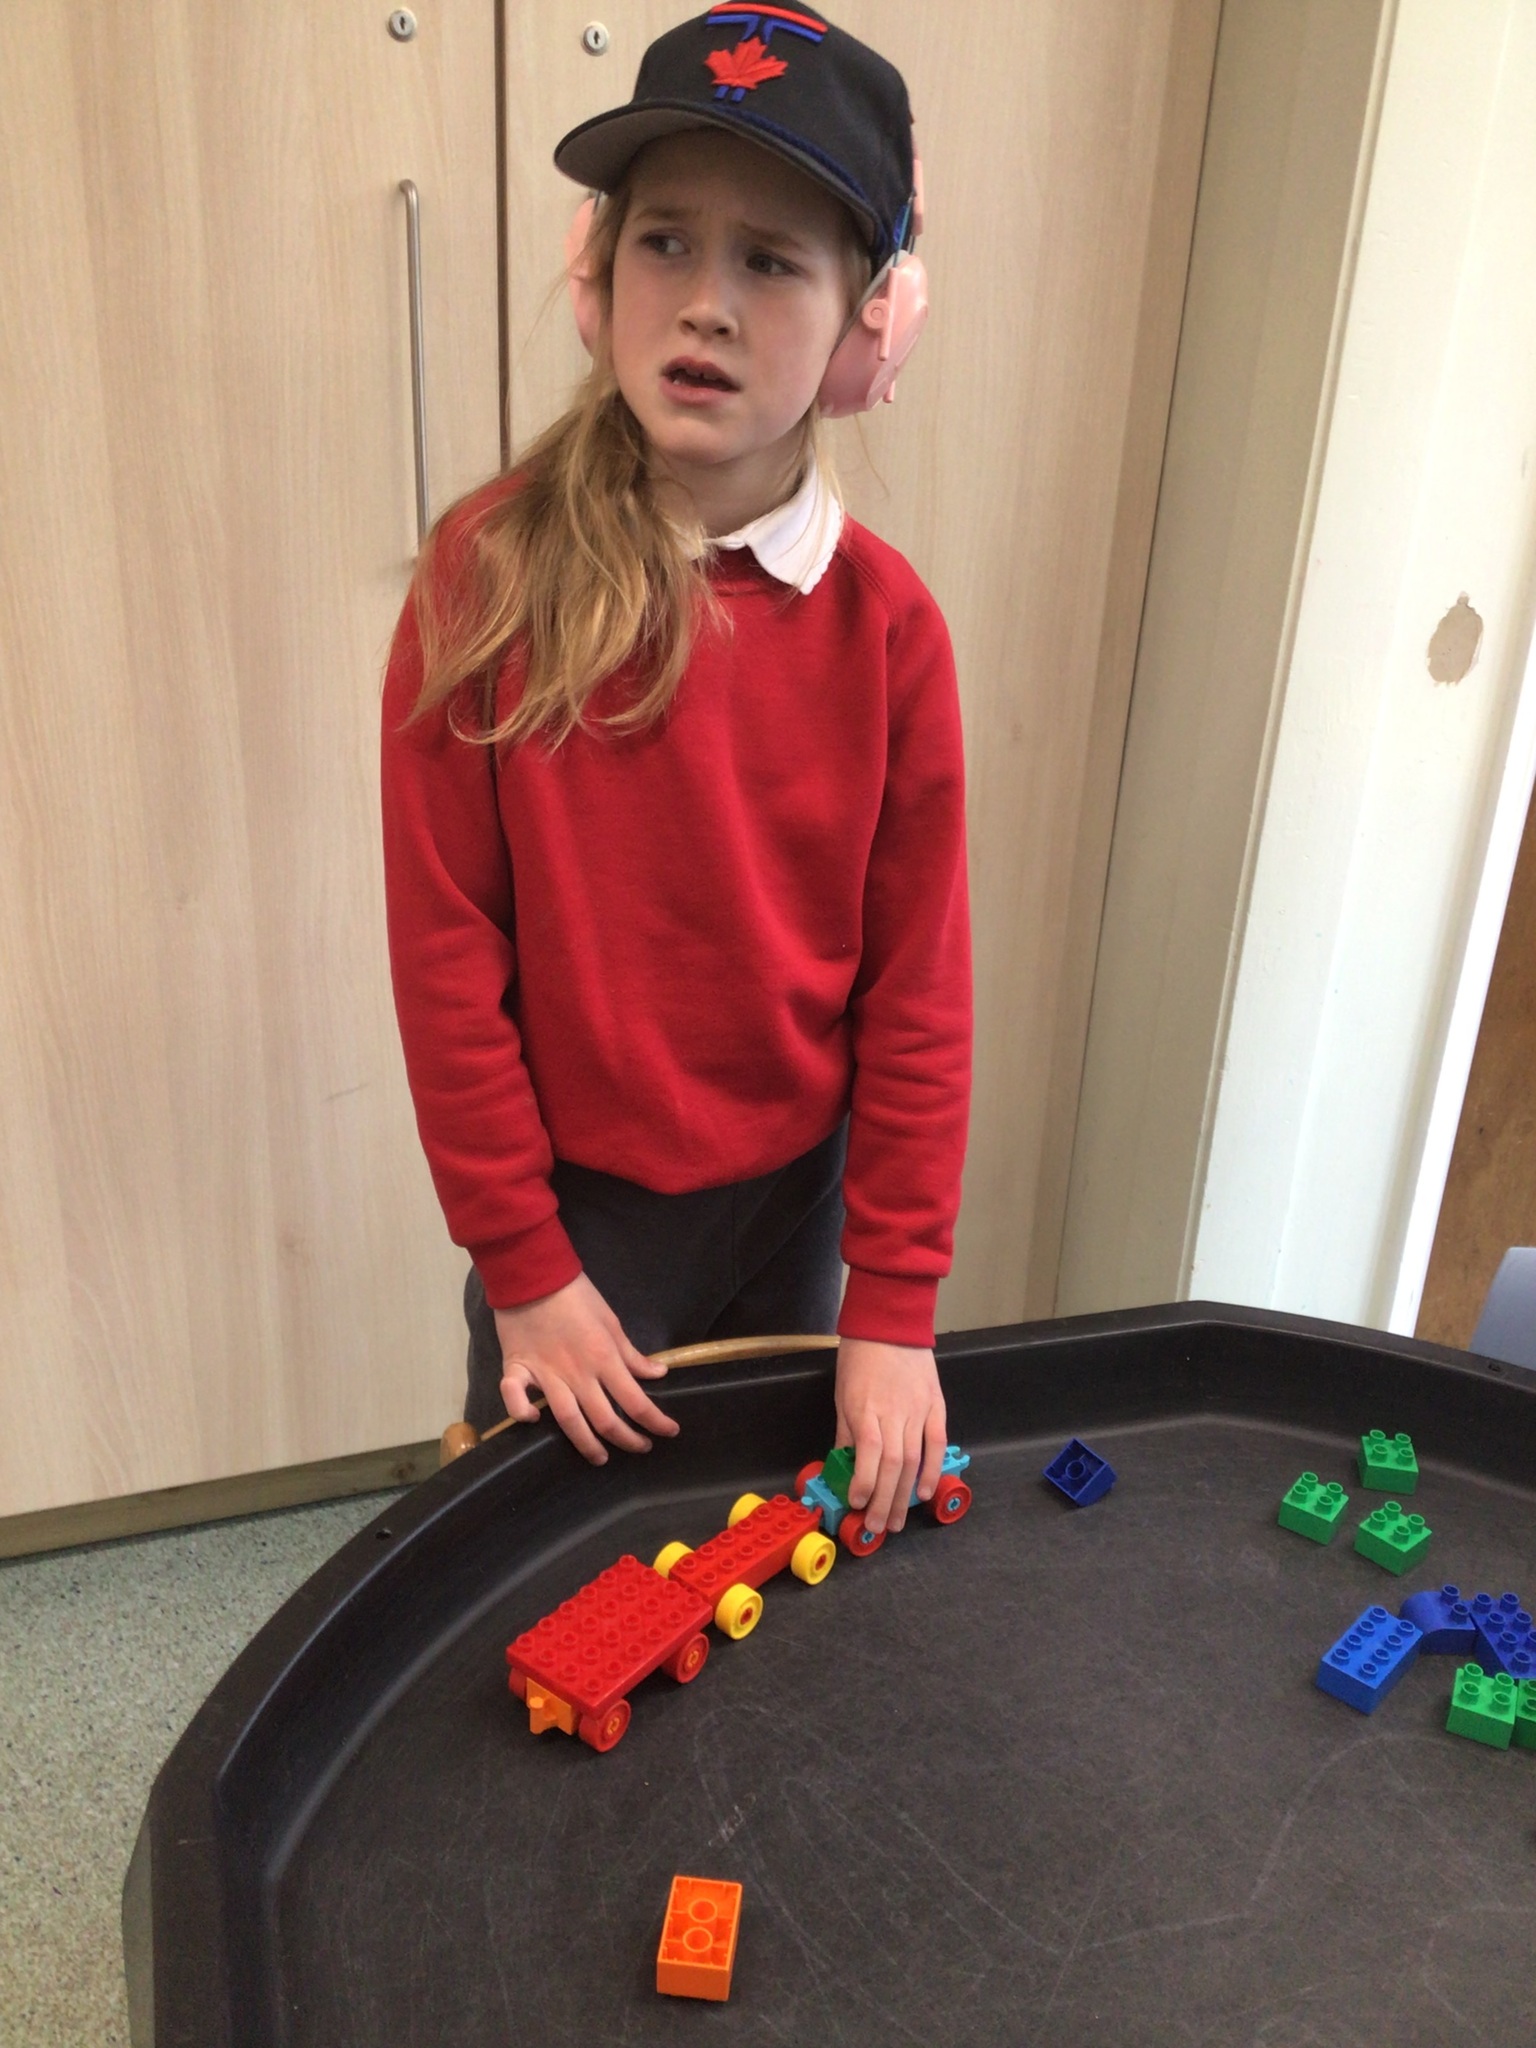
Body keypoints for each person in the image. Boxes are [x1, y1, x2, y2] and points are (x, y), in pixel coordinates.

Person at [380, 7, 970, 1536]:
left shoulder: (892, 633)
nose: (704, 302)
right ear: (596, 273)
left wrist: (894, 1304)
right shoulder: (485, 579)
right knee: (536, 1563)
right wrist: (526, 1271)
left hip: (798, 1206)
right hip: (575, 1218)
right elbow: (448, 959)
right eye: (665, 243)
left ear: (870, 326)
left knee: (758, 1545)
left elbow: (918, 994)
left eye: (770, 260)